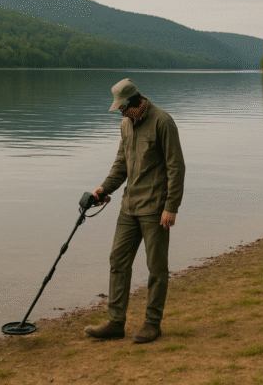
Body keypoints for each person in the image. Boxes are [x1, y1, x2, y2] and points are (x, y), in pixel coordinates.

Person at [85, 78, 186, 344]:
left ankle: (152, 323)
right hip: (129, 207)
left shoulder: (163, 122)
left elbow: (176, 167)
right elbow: (121, 165)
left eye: (123, 107)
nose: (121, 112)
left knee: (156, 268)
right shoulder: (125, 125)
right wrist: (103, 189)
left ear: (136, 101)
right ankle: (116, 322)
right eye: (118, 109)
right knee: (118, 262)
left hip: (155, 210)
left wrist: (171, 207)